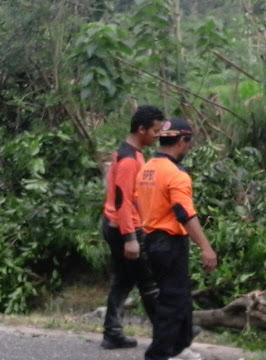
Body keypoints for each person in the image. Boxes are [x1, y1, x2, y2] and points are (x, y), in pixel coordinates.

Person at [136, 117, 218, 360]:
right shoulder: (176, 174)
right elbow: (184, 213)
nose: (188, 148)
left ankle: (180, 348)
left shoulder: (147, 169)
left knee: (180, 298)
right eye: (188, 142)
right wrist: (206, 247)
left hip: (151, 239)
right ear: (182, 141)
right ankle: (158, 354)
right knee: (172, 302)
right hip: (168, 242)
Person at [100, 105, 164, 349]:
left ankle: (112, 333)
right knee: (148, 282)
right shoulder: (128, 160)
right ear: (141, 129)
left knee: (124, 280)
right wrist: (130, 237)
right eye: (155, 131)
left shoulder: (133, 153)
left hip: (120, 225)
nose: (157, 135)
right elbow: (122, 201)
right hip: (123, 227)